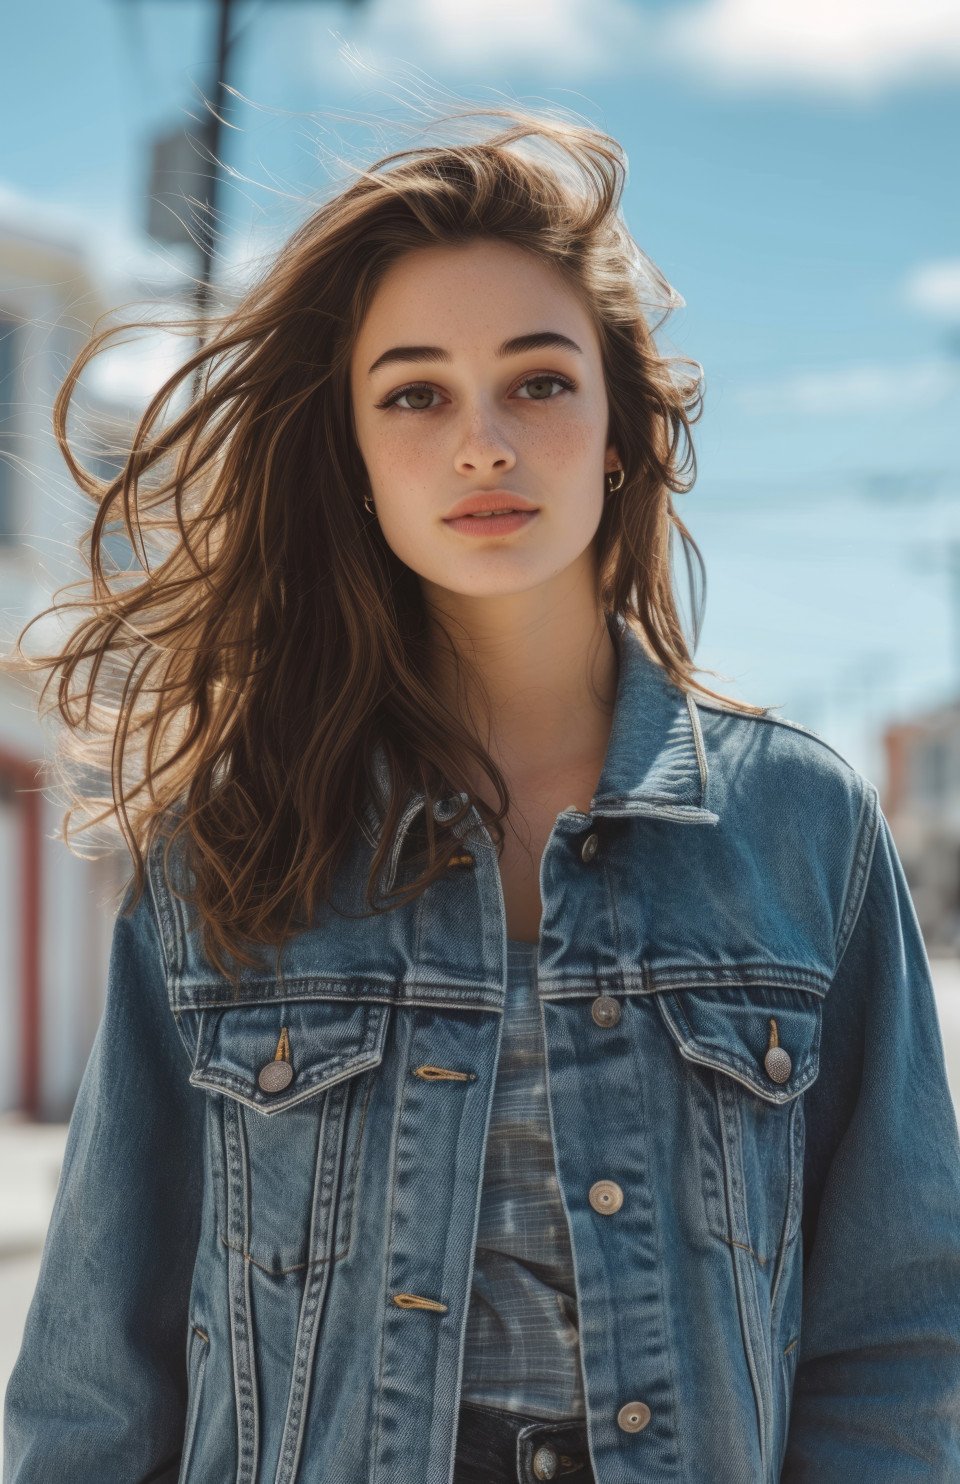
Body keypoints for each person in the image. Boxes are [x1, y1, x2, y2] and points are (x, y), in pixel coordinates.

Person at [3, 101, 960, 1484]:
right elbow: (104, 1368)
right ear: (355, 454)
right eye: (415, 393)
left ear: (620, 423)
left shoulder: (803, 831)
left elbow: (895, 1337)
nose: (483, 443)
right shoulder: (235, 843)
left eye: (539, 381)